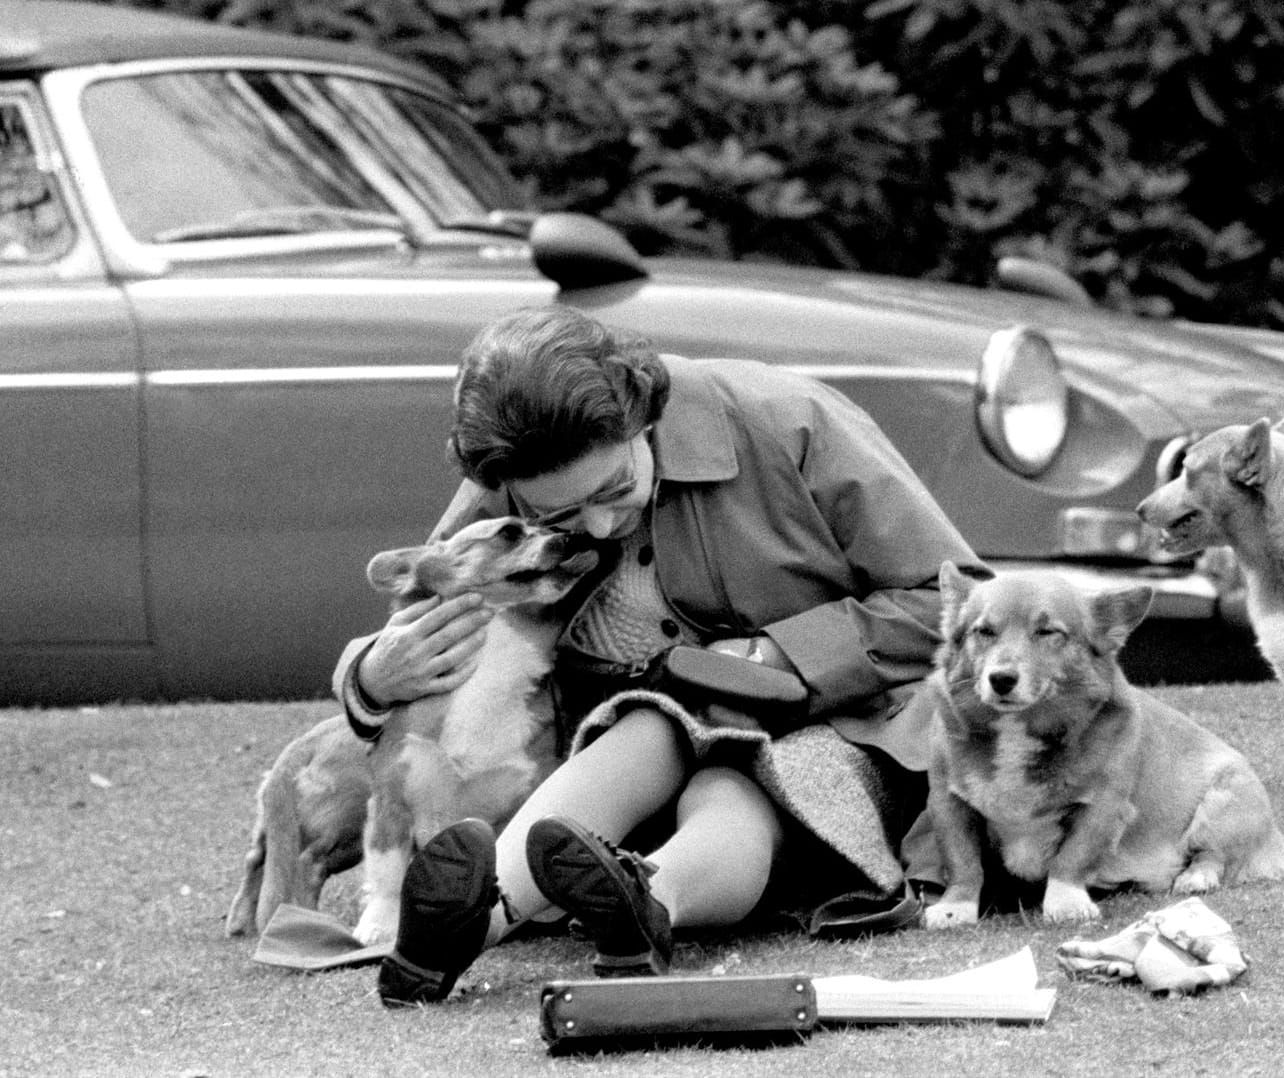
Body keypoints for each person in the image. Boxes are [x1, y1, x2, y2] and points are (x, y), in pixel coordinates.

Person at [333, 305, 986, 1006]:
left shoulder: (788, 419)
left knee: (737, 784)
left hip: (841, 721)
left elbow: (956, 601)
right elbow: (424, 605)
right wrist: (369, 677)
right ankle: (469, 922)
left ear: (643, 414)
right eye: (560, 517)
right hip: (640, 737)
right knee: (650, 727)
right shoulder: (521, 466)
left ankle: (649, 899)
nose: (598, 525)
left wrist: (776, 655)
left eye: (614, 490)